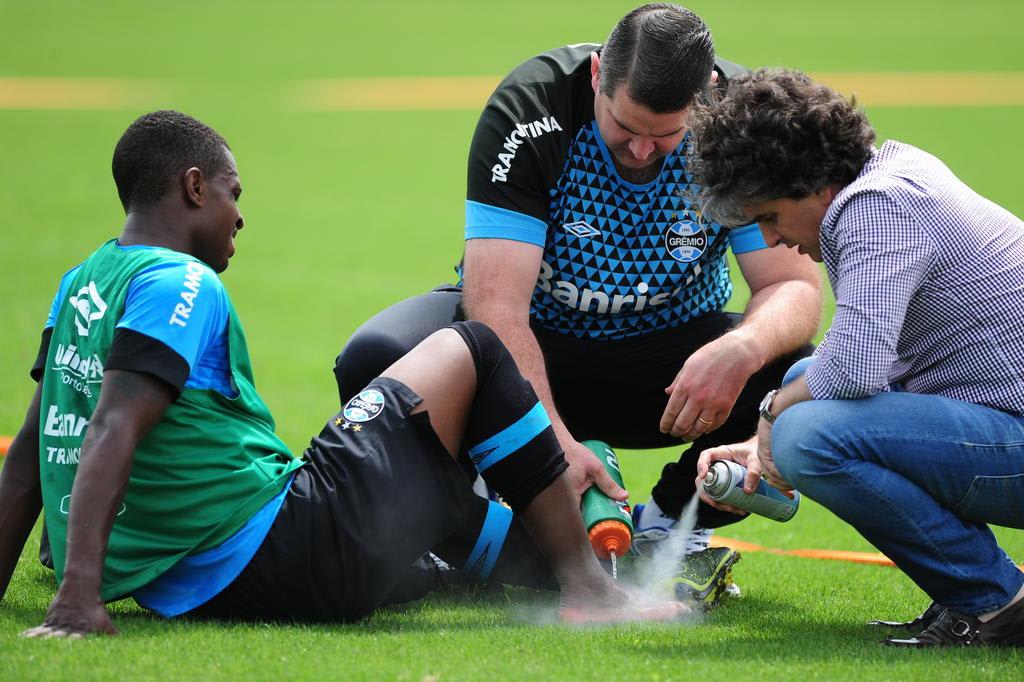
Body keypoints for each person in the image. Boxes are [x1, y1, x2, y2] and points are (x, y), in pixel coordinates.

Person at [0, 111, 688, 638]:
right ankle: (591, 592)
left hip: (200, 580)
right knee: (474, 348)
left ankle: (596, 562)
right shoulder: (178, 281)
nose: (239, 216)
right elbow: (114, 424)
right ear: (191, 187)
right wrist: (77, 599)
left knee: (423, 488)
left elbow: (33, 450)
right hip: (280, 551)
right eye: (231, 194)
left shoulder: (80, 282)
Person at [333, 2, 822, 605]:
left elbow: (792, 287)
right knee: (377, 359)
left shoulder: (743, 124)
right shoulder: (531, 107)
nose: (643, 152)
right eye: (625, 127)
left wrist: (740, 349)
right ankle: (466, 526)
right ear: (596, 76)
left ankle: (672, 528)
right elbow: (496, 305)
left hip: (668, 366)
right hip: (530, 351)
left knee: (791, 363)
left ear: (709, 99)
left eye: (665, 134)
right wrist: (550, 443)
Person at [688, 68, 1024, 647]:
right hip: (1002, 423)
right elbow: (865, 368)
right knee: (801, 390)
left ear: (813, 183)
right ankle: (977, 596)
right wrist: (758, 444)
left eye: (768, 214)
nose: (770, 239)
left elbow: (856, 370)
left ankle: (995, 600)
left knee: (807, 437)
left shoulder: (877, 205)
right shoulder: (888, 177)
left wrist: (768, 417)